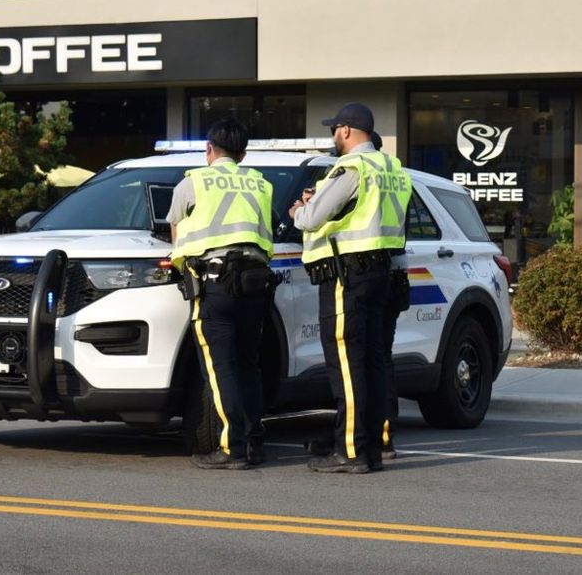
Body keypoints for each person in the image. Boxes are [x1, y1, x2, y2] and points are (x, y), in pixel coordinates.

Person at [289, 103, 412, 473]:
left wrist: (298, 210)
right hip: (380, 272)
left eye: (334, 130)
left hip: (348, 277)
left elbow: (312, 218)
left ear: (345, 130)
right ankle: (370, 447)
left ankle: (351, 451)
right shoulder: (392, 168)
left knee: (347, 364)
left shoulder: (352, 167)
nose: (333, 136)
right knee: (372, 363)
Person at [167, 116, 276, 470]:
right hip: (255, 284)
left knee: (221, 369)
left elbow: (176, 232)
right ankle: (254, 442)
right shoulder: (261, 184)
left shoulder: (193, 182)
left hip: (216, 284)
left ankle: (233, 448)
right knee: (248, 366)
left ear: (209, 149)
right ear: (243, 155)